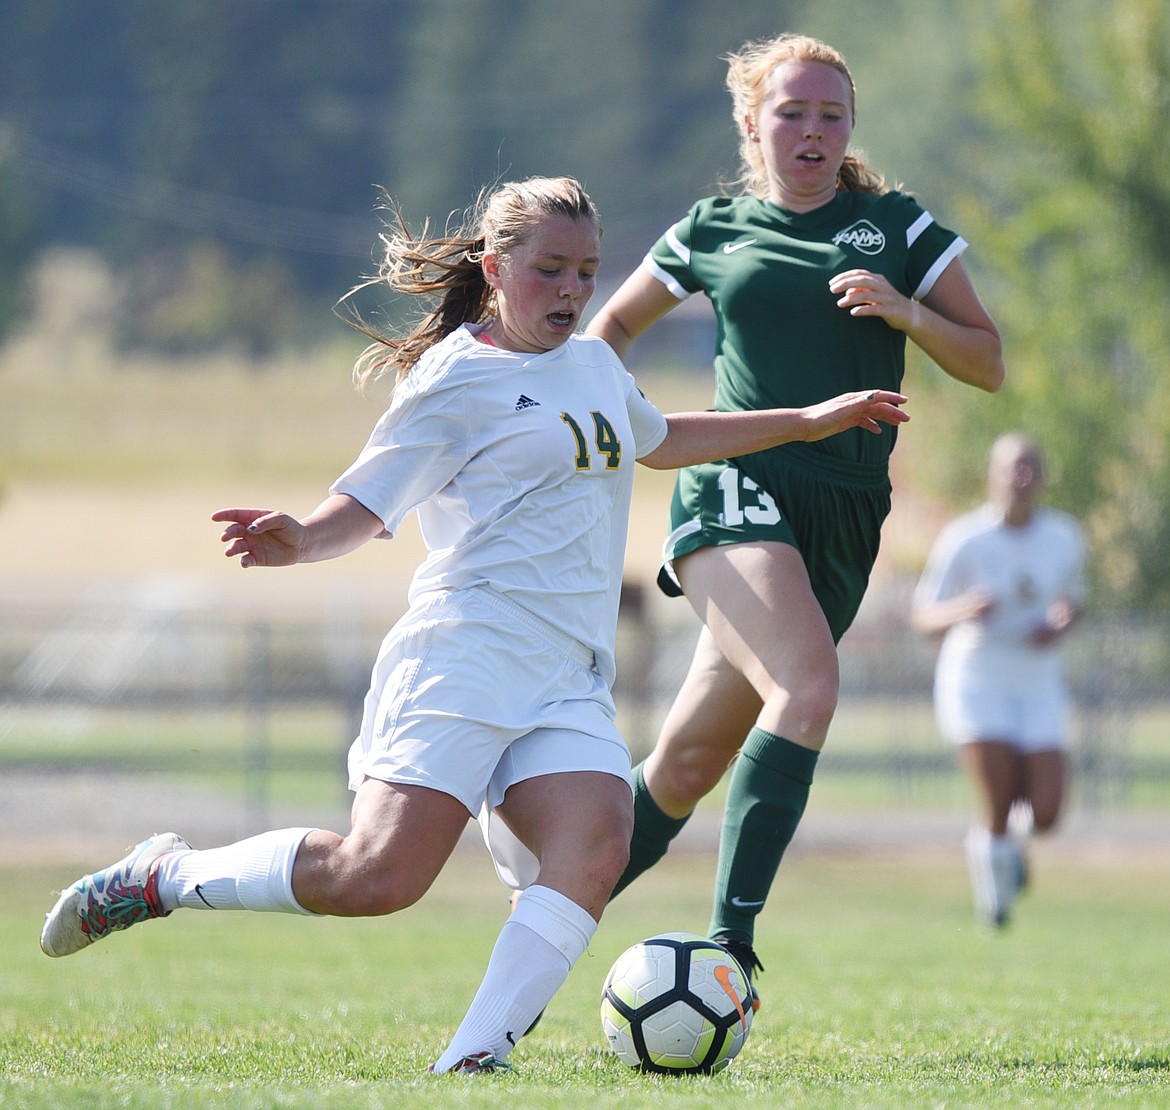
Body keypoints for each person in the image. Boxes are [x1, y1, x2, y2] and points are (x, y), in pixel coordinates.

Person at [38, 175, 909, 1075]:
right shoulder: (453, 378)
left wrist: (807, 421)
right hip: (466, 653)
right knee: (376, 878)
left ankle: (472, 1063)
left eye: (587, 272)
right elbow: (364, 504)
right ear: (496, 269)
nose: (572, 291)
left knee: (598, 839)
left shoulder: (598, 365)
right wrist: (299, 541)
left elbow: (662, 438)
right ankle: (163, 877)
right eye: (550, 270)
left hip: (568, 673)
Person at [586, 32, 1005, 995]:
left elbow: (987, 361)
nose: (812, 132)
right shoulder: (711, 227)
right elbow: (609, 328)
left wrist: (907, 312)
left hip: (850, 513)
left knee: (687, 763)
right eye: (791, 113)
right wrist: (612, 423)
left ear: (850, 127)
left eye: (831, 115)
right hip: (737, 485)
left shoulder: (896, 224)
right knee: (808, 688)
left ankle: (547, 919)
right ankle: (729, 948)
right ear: (750, 124)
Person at [911, 432, 1086, 927]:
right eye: (1013, 466)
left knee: (1047, 811)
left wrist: (1062, 620)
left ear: (1044, 477)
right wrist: (965, 608)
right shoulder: (965, 538)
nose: (1022, 477)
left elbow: (1075, 600)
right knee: (998, 799)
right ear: (993, 475)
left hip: (1036, 677)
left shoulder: (1065, 536)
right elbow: (924, 616)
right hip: (977, 675)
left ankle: (1008, 852)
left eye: (1032, 466)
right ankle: (997, 906)